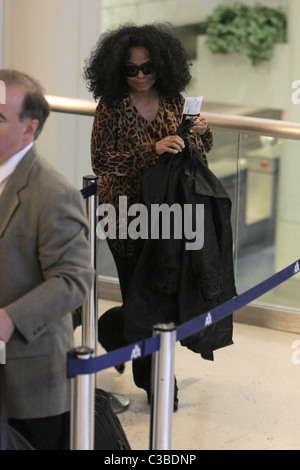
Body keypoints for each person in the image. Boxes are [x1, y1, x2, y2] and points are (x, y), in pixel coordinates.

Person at [84, 23, 215, 410]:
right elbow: (102, 160)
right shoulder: (111, 106)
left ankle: (113, 328)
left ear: (162, 66)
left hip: (168, 214)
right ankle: (157, 384)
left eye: (148, 68)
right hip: (124, 216)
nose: (141, 76)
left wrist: (202, 132)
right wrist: (152, 149)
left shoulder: (174, 99)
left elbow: (194, 151)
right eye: (131, 69)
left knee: (161, 297)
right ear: (117, 69)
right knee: (143, 300)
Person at [0, 69, 94, 450]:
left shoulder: (52, 192)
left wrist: (8, 320)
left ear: (29, 128)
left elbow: (74, 279)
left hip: (28, 376)